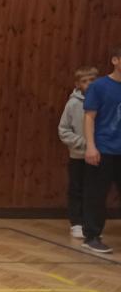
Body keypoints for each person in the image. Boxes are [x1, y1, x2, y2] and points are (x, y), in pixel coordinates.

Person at [81, 46, 121, 254]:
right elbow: (89, 117)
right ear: (115, 60)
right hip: (103, 148)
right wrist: (91, 146)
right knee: (96, 194)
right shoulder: (100, 86)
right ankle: (92, 236)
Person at [58, 66, 98, 240]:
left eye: (92, 80)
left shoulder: (103, 101)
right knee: (77, 189)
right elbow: (63, 131)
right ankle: (76, 223)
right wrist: (84, 143)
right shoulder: (73, 104)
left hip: (99, 155)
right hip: (78, 156)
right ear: (77, 84)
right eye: (84, 81)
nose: (89, 84)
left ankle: (91, 223)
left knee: (94, 190)